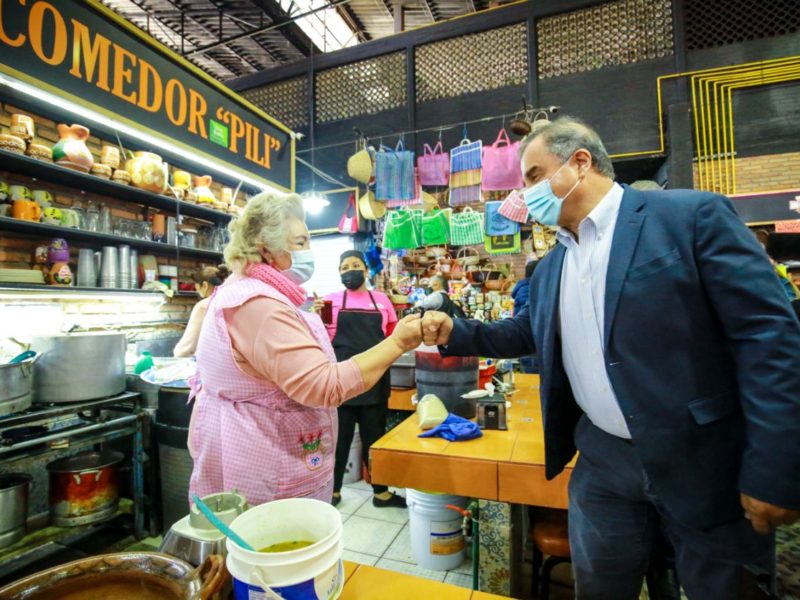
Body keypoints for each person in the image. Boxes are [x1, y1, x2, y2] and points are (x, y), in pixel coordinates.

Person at [421, 116, 800, 599]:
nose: (527, 194)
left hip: (701, 458)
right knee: (600, 587)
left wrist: (774, 465)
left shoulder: (688, 217)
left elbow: (768, 337)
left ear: (580, 162)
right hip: (604, 461)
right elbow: (528, 331)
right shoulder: (552, 265)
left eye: (534, 176)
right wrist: (457, 332)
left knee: (721, 588)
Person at [188, 192, 422, 507]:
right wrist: (399, 342)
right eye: (300, 242)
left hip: (272, 444)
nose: (308, 251)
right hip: (267, 464)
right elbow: (322, 386)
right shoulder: (257, 304)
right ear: (265, 249)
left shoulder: (253, 293)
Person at [316, 250, 406, 508]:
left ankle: (381, 492)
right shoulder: (329, 302)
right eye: (344, 267)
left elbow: (393, 338)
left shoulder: (382, 301)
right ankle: (333, 492)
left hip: (375, 380)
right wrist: (314, 316)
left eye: (355, 265)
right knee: (339, 441)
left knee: (374, 439)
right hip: (341, 380)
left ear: (366, 270)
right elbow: (320, 339)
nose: (350, 271)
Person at [173, 265, 231, 357]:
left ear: (204, 285)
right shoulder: (231, 301)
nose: (197, 291)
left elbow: (187, 347)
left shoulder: (203, 306)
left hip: (211, 361)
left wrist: (177, 354)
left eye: (196, 287)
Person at [512, 261, 538, 374]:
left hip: (524, 340)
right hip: (531, 339)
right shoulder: (531, 288)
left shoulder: (522, 287)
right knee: (534, 376)